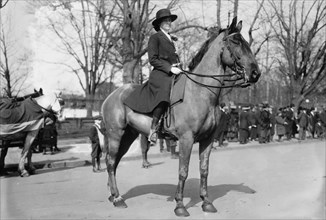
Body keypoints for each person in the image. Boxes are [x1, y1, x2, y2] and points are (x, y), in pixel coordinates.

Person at [124, 8, 182, 145]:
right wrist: (170, 68)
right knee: (164, 93)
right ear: (159, 23)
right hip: (161, 74)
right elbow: (153, 59)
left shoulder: (171, 39)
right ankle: (154, 128)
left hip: (175, 71)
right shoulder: (155, 37)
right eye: (165, 20)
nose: (168, 22)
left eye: (169, 20)